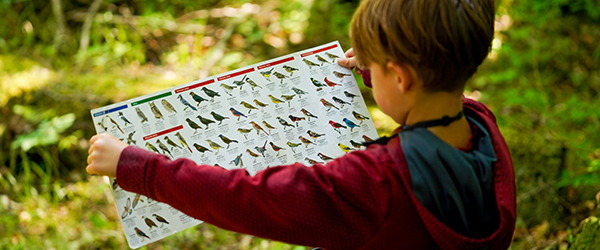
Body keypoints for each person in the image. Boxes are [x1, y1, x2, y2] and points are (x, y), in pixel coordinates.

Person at [87, 0, 516, 249]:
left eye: (380, 70)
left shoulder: (374, 182)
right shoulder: (483, 131)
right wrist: (374, 73)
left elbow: (250, 199)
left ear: (401, 76)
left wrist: (136, 166)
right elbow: (437, 97)